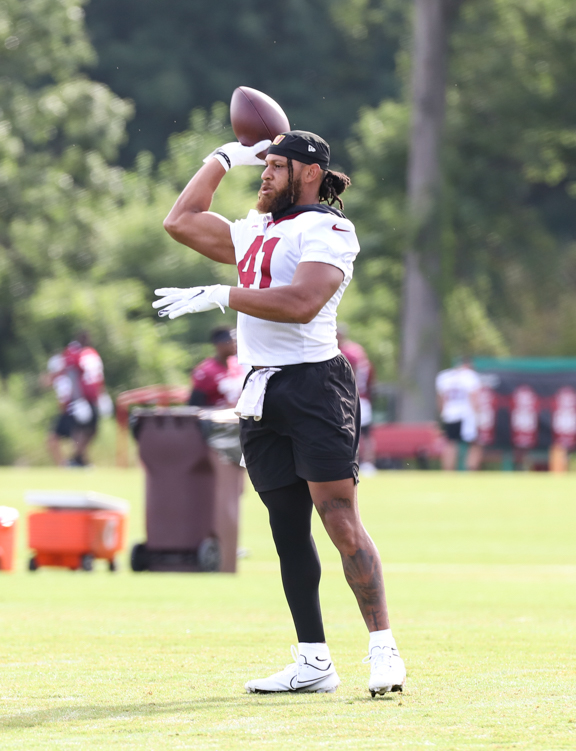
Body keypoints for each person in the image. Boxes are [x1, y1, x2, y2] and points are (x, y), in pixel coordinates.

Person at [158, 131, 405, 697]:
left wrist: (224, 295)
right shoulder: (255, 228)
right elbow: (181, 220)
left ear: (309, 173)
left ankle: (383, 648)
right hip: (259, 388)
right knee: (286, 529)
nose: (263, 175)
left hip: (315, 385)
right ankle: (313, 661)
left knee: (338, 517)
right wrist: (220, 159)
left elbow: (301, 304)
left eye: (275, 166)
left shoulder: (329, 228)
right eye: (261, 165)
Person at [42, 332, 112, 467]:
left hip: (80, 400)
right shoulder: (87, 354)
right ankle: (72, 463)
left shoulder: (83, 355)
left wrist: (96, 396)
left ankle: (75, 461)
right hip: (81, 400)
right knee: (77, 433)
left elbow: (85, 377)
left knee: (83, 432)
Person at [336, 326, 377, 475]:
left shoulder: (346, 353)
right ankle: (367, 463)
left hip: (351, 396)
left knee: (355, 431)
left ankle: (359, 462)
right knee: (365, 432)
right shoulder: (357, 350)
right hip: (362, 396)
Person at [435, 357, 483, 471]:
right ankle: (471, 470)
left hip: (450, 415)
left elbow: (441, 398)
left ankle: (448, 472)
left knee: (451, 444)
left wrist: (443, 412)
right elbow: (474, 397)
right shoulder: (470, 376)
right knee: (475, 444)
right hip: (467, 415)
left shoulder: (444, 376)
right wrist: (477, 415)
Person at [189, 326, 249, 408]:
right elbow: (195, 405)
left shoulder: (238, 364)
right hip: (215, 418)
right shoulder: (205, 371)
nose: (236, 344)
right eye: (232, 341)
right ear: (220, 344)